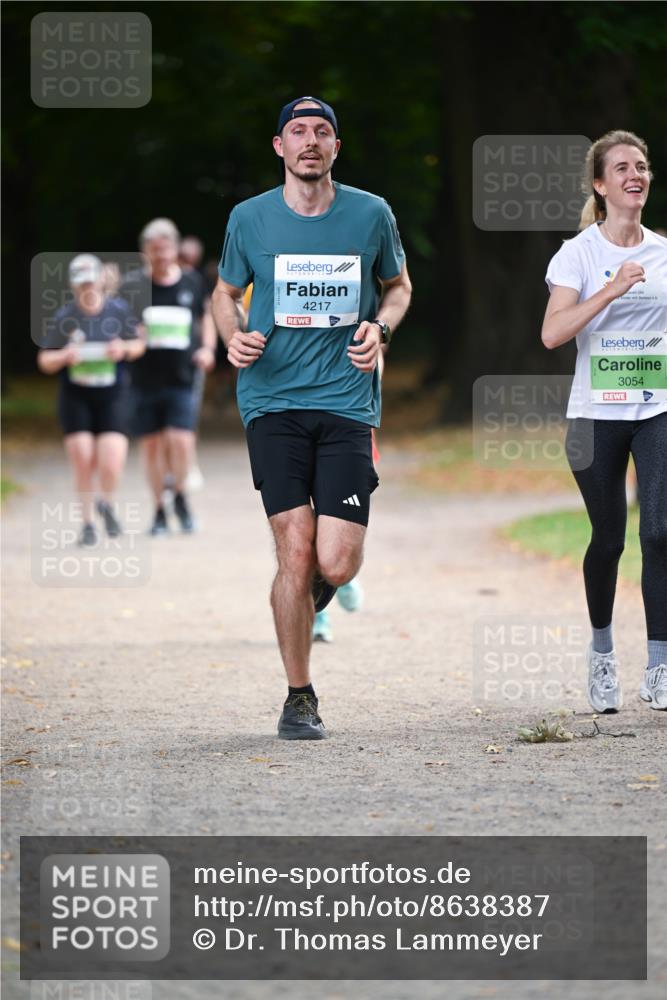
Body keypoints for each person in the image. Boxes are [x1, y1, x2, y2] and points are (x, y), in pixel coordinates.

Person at [212, 96, 412, 739]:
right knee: (294, 550)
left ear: (335, 148)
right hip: (271, 400)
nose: (309, 141)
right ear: (279, 146)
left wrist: (380, 328)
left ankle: (308, 596)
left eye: (322, 131)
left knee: (338, 561)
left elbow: (399, 285)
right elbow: (223, 292)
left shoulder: (371, 213)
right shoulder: (249, 218)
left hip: (348, 401)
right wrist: (231, 334)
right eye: (297, 131)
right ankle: (300, 695)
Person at [542, 129, 667, 712]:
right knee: (610, 539)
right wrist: (612, 291)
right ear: (600, 184)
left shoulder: (664, 253)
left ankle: (661, 665)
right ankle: (601, 655)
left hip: (656, 409)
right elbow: (552, 333)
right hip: (595, 415)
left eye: (641, 167)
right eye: (621, 168)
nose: (634, 175)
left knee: (659, 534)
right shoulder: (579, 254)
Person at [37, 254, 145, 545]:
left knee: (111, 463)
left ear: (100, 280)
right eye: (81, 281)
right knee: (83, 459)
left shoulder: (118, 311)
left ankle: (105, 503)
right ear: (74, 285)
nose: (87, 286)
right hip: (76, 397)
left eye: (91, 280)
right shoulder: (64, 316)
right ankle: (87, 524)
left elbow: (139, 345)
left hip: (113, 396)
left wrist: (122, 348)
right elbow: (45, 360)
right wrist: (63, 356)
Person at [126, 219, 217, 535]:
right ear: (145, 252)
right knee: (151, 447)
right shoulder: (135, 288)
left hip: (182, 378)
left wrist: (207, 348)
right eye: (154, 250)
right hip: (143, 381)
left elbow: (207, 318)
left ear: (176, 249)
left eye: (165, 249)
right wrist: (130, 336)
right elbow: (119, 324)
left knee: (180, 440)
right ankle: (159, 511)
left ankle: (179, 495)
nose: (161, 255)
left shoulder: (192, 282)